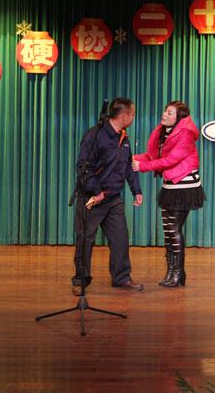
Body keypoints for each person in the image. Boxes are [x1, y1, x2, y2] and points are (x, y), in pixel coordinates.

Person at [72, 97, 144, 296]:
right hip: (92, 198)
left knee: (120, 239)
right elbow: (84, 167)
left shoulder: (123, 138)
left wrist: (136, 190)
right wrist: (96, 191)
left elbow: (128, 166)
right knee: (85, 240)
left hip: (113, 199)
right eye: (132, 114)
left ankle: (121, 278)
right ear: (123, 115)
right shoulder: (95, 135)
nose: (133, 117)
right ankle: (80, 281)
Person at [132, 101, 205, 288]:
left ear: (179, 118)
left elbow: (171, 160)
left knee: (173, 229)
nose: (164, 114)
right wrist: (133, 158)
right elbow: (154, 156)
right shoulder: (164, 132)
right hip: (171, 183)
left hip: (184, 184)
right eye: (165, 111)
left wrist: (142, 166)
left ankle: (177, 272)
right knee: (169, 230)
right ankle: (173, 272)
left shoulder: (185, 133)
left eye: (170, 113)